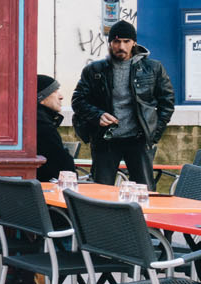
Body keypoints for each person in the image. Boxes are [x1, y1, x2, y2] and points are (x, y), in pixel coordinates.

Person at [71, 20, 174, 186]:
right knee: (100, 193)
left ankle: (141, 214)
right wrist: (97, 115)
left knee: (145, 191)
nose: (121, 47)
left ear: (134, 42)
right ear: (110, 43)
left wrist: (153, 134)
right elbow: (78, 100)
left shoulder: (153, 68)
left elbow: (167, 103)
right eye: (117, 41)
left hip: (138, 139)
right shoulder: (94, 70)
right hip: (106, 139)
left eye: (126, 41)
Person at [34, 74, 77, 183]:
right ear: (41, 98)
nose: (61, 96)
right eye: (55, 91)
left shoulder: (33, 121)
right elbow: (64, 167)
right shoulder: (43, 126)